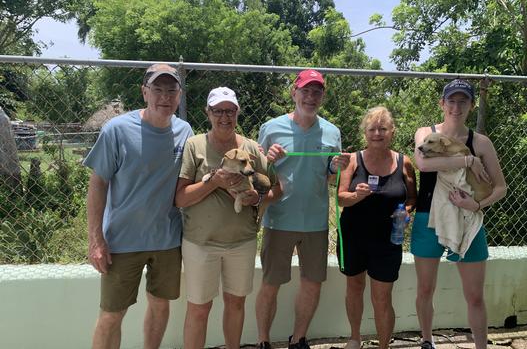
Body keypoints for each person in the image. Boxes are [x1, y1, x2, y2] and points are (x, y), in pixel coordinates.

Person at [84, 63, 193, 349]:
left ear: (180, 96)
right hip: (121, 241)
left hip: (167, 240)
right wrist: (96, 239)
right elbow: (98, 184)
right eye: (157, 89)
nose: (165, 97)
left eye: (172, 90)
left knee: (160, 305)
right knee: (111, 315)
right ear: (144, 92)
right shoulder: (116, 130)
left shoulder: (185, 131)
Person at [174, 87, 281, 349]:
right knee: (199, 308)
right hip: (201, 242)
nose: (225, 117)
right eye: (218, 111)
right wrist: (215, 183)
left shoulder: (252, 149)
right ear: (207, 113)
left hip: (241, 242)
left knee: (236, 304)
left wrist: (257, 199)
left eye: (230, 111)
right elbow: (180, 198)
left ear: (237, 113)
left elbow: (278, 189)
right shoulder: (194, 146)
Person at [255, 69, 350, 349]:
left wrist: (335, 167)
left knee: (312, 283)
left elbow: (331, 175)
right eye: (305, 91)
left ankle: (299, 340)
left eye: (317, 91)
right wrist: (268, 159)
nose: (310, 97)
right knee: (270, 284)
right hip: (278, 220)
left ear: (322, 96)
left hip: (315, 223)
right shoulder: (271, 128)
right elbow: (258, 173)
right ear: (294, 93)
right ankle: (263, 341)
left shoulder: (332, 131)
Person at [411, 79, 507, 349]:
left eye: (463, 101)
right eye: (451, 100)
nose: (456, 106)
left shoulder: (481, 143)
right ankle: (427, 341)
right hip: (428, 218)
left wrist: (475, 206)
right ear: (442, 104)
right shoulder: (425, 133)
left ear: (472, 105)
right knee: (425, 290)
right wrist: (467, 161)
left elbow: (500, 188)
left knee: (475, 295)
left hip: (468, 220)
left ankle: (480, 346)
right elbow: (422, 163)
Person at [337, 106, 417, 349]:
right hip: (353, 237)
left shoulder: (404, 162)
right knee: (354, 287)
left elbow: (413, 198)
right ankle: (354, 337)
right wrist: (356, 196)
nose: (377, 133)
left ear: (392, 131)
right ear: (365, 133)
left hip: (388, 239)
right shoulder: (352, 160)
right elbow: (340, 198)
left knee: (382, 297)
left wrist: (406, 212)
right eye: (372, 129)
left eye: (383, 128)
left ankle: (384, 345)